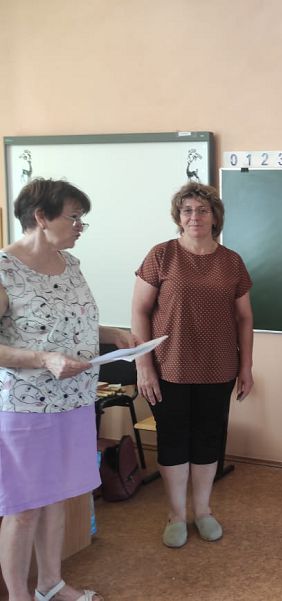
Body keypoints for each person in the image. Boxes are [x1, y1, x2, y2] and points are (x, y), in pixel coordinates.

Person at [0, 179, 134, 601]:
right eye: (74, 217)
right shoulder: (5, 270)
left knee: (56, 497)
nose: (80, 227)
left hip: (74, 400)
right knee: (24, 508)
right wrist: (44, 359)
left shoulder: (70, 264)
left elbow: (64, 323)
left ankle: (50, 584)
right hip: (26, 407)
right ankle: (19, 595)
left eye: (82, 219)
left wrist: (109, 333)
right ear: (41, 217)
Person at [131, 182, 254, 549]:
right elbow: (139, 311)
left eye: (202, 210)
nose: (194, 216)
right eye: (187, 210)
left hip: (219, 367)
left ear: (215, 217)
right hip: (168, 367)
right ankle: (175, 514)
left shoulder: (232, 262)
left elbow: (245, 318)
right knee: (172, 439)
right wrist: (143, 366)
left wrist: (246, 367)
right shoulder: (161, 255)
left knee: (207, 440)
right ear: (178, 216)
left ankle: (203, 510)